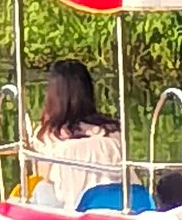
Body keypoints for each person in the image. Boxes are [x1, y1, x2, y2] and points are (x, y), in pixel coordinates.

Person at [26, 59, 123, 211]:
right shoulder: (112, 131)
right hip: (116, 204)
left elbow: (44, 176)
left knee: (41, 187)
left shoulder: (49, 135)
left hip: (70, 210)